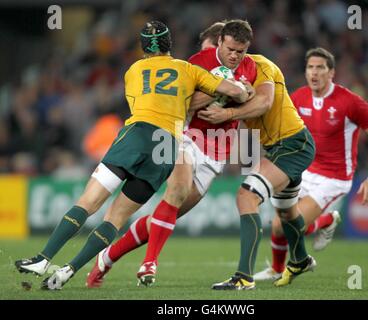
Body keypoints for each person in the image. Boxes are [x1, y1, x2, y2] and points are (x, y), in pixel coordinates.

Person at [14, 20, 250, 290]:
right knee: (114, 218)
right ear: (169, 44)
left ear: (143, 48)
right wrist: (242, 88)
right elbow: (233, 91)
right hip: (166, 147)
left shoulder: (134, 70)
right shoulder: (188, 69)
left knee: (89, 202)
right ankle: (69, 271)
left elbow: (139, 103)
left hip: (137, 135)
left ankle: (43, 259)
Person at [85, 19, 258, 288]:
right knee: (176, 190)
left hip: (218, 148)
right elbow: (184, 102)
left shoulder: (251, 66)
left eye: (241, 51)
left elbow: (254, 97)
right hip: (186, 136)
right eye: (231, 49)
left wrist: (239, 100)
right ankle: (150, 263)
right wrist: (223, 89)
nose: (235, 56)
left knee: (166, 215)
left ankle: (107, 257)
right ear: (221, 42)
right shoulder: (195, 63)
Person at [253, 47, 368, 282]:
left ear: (331, 73)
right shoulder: (298, 97)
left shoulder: (349, 102)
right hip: (305, 170)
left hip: (335, 178)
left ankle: (328, 219)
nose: (314, 73)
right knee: (277, 226)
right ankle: (276, 269)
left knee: (293, 225)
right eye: (310, 68)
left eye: (320, 68)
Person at [198, 53, 317, 290]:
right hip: (276, 148)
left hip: (293, 144)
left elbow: (264, 102)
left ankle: (244, 276)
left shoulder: (260, 66)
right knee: (286, 211)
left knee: (246, 195)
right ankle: (301, 259)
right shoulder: (222, 77)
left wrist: (228, 111)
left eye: (236, 49)